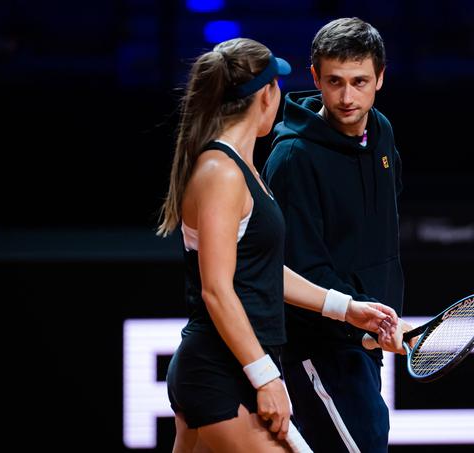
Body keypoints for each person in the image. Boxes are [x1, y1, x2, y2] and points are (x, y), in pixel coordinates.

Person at [156, 37, 399, 453]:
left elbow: (262, 270)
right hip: (218, 372)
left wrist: (347, 308)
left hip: (224, 369)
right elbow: (217, 289)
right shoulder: (222, 172)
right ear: (266, 94)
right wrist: (266, 376)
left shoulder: (239, 165)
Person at [261, 18, 412, 452]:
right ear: (315, 78)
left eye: (360, 81)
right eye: (335, 82)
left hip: (365, 342)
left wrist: (379, 323)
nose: (347, 97)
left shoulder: (381, 130)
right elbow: (299, 270)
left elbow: (380, 236)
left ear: (380, 78)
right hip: (319, 349)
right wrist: (362, 324)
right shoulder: (292, 158)